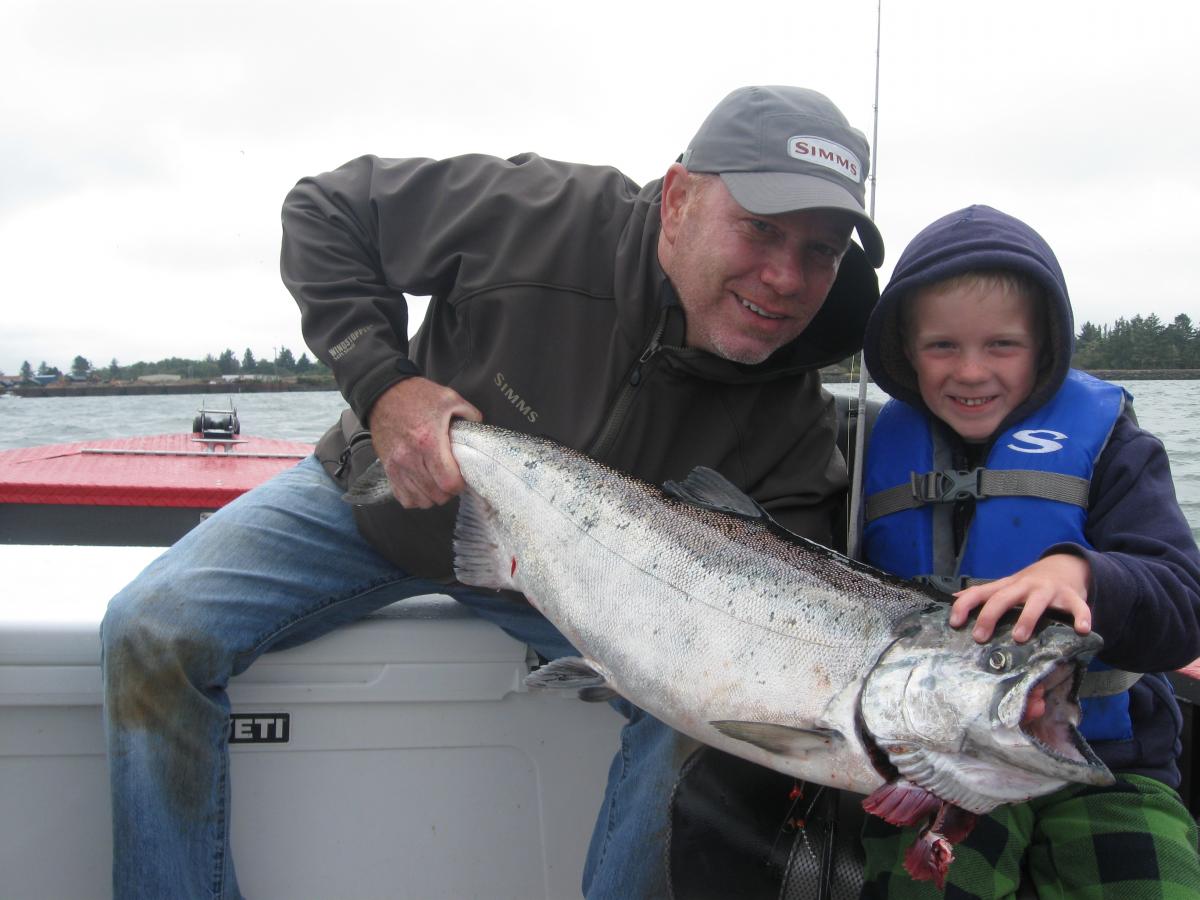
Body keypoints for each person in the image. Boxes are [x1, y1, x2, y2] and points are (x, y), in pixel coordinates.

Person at [100, 85, 885, 899]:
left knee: (698, 732)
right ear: (679, 200)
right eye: (760, 228)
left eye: (821, 251)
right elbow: (327, 211)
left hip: (586, 595)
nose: (786, 277)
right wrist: (383, 385)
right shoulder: (535, 213)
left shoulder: (794, 416)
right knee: (152, 627)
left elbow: (777, 604)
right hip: (377, 504)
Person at [857, 204, 1200, 898]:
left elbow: (1183, 606)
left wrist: (1081, 572)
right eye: (942, 346)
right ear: (903, 350)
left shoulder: (1117, 450)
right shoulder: (866, 449)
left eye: (1002, 346)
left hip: (1106, 762)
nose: (972, 371)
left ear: (1045, 347)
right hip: (938, 762)